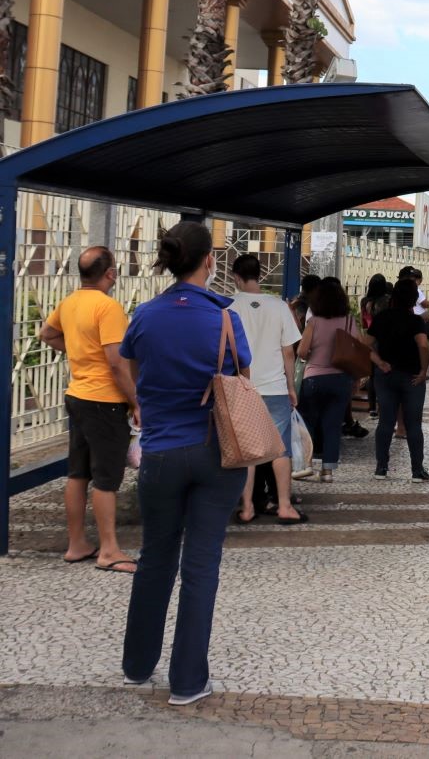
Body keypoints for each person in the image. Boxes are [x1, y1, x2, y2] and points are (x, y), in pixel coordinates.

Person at [119, 221, 251, 706]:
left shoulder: (145, 315)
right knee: (201, 564)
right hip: (217, 450)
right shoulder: (223, 318)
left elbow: (135, 374)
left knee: (155, 556)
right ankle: (188, 682)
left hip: (160, 451)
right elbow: (241, 376)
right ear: (210, 261)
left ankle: (136, 666)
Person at [38, 246, 139, 573]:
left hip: (77, 396)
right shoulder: (108, 307)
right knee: (106, 478)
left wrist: (80, 351)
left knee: (78, 472)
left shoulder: (70, 302)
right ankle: (109, 549)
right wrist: (136, 402)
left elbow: (46, 333)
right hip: (105, 402)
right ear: (109, 273)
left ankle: (76, 543)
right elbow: (115, 361)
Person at [229, 255, 306, 525]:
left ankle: (247, 508)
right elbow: (289, 352)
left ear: (236, 277)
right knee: (279, 450)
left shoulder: (228, 306)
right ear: (259, 275)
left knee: (249, 452)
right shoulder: (279, 307)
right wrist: (290, 387)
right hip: (275, 388)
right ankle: (284, 506)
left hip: (243, 388)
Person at [364, 279, 429, 480]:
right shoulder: (416, 321)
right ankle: (417, 470)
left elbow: (364, 344)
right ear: (413, 299)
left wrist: (380, 362)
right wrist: (423, 370)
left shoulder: (382, 318)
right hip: (411, 377)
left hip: (385, 377)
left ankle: (381, 468)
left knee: (385, 422)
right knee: (413, 424)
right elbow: (424, 345)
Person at [297, 279, 360, 483]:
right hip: (341, 379)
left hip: (314, 378)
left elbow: (302, 351)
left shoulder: (313, 322)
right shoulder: (349, 321)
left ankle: (305, 465)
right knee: (332, 425)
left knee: (308, 423)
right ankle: (328, 471)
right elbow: (357, 348)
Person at [360, 274, 392, 419]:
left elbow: (363, 322)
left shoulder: (364, 301)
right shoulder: (387, 300)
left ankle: (372, 407)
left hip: (368, 337)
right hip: (384, 338)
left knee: (372, 374)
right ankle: (384, 405)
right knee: (386, 370)